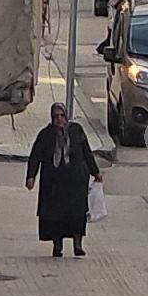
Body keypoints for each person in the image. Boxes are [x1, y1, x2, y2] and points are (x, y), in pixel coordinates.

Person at [26, 102, 101, 258]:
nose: (59, 120)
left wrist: (95, 172)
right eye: (56, 116)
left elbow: (86, 152)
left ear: (66, 116)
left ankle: (78, 245)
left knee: (77, 214)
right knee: (55, 216)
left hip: (75, 181)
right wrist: (31, 177)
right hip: (54, 184)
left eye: (62, 116)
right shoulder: (45, 135)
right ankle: (57, 246)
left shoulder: (76, 131)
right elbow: (36, 156)